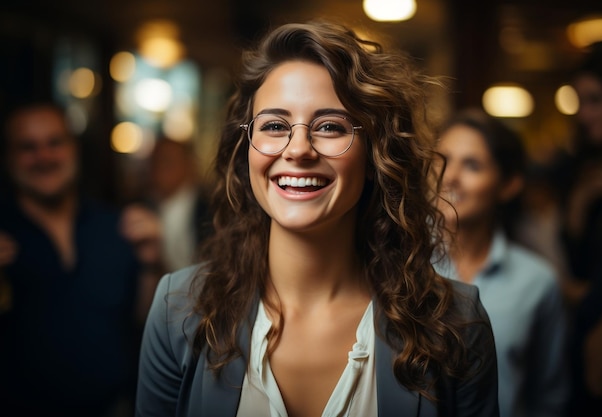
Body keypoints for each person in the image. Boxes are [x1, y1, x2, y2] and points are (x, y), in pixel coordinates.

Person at [135, 20, 499, 417]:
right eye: (274, 125)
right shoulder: (179, 311)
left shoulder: (455, 324)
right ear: (246, 149)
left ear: (375, 153)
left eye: (329, 126)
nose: (299, 149)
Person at [0, 102, 164, 417]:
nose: (44, 157)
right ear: (9, 159)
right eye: (28, 147)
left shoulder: (117, 226)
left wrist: (151, 263)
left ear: (74, 149)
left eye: (54, 143)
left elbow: (145, 321)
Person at [432, 108, 569, 417]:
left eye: (472, 165)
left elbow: (550, 396)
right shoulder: (399, 266)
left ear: (509, 184)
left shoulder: (537, 282)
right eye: (442, 160)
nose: (450, 177)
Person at [558, 37, 602, 417]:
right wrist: (580, 207)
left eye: (596, 99)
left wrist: (569, 290)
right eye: (579, 101)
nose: (584, 114)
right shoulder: (582, 170)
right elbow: (580, 266)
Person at [142, 136, 212, 272]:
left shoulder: (210, 210)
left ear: (189, 164)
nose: (161, 168)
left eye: (168, 161)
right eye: (156, 162)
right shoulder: (144, 209)